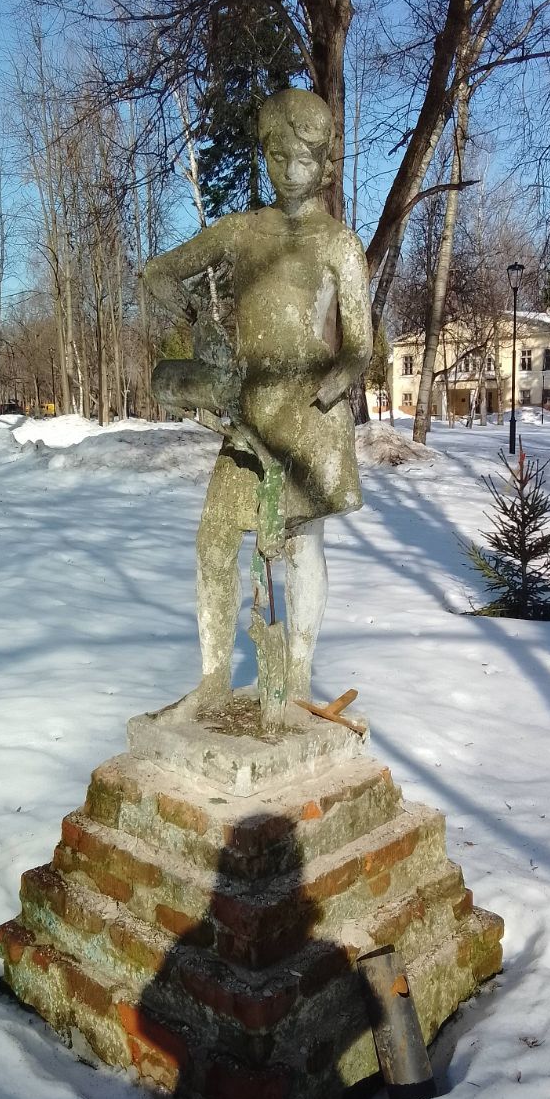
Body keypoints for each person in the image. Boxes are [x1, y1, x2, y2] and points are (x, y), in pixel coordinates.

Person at [143, 88, 372, 708]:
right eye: (277, 157)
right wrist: (188, 308)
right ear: (264, 155)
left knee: (302, 548)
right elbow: (159, 271)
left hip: (311, 419)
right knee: (214, 538)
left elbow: (360, 343)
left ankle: (296, 677)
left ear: (324, 163)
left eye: (304, 159)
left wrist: (340, 377)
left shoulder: (339, 245)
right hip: (249, 417)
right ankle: (214, 680)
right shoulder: (241, 231)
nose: (290, 172)